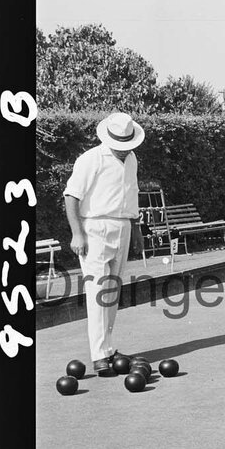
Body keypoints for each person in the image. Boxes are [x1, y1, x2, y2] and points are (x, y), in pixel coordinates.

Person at [63, 112, 145, 376]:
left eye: (128, 144)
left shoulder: (132, 159)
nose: (125, 150)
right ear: (108, 138)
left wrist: (137, 231)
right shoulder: (91, 159)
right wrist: (77, 233)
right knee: (97, 293)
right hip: (95, 228)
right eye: (121, 144)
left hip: (123, 226)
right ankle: (99, 356)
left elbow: (132, 195)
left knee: (112, 292)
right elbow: (71, 196)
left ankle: (107, 349)